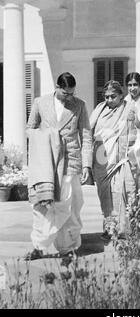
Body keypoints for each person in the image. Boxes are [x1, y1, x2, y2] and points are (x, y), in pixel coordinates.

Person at [25, 72, 93, 260]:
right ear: (56, 87)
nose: (68, 97)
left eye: (71, 93)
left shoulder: (79, 105)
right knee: (43, 206)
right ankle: (39, 245)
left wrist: (87, 165)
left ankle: (67, 248)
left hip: (70, 162)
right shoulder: (40, 102)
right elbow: (29, 129)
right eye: (65, 94)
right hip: (47, 163)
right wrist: (49, 136)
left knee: (67, 207)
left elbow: (86, 136)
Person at [89, 80, 138, 242]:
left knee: (118, 192)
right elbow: (91, 130)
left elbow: (133, 132)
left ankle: (119, 229)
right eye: (107, 96)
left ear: (121, 95)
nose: (109, 100)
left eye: (113, 96)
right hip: (101, 159)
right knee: (104, 195)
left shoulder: (128, 109)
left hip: (119, 159)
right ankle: (108, 226)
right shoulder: (99, 109)